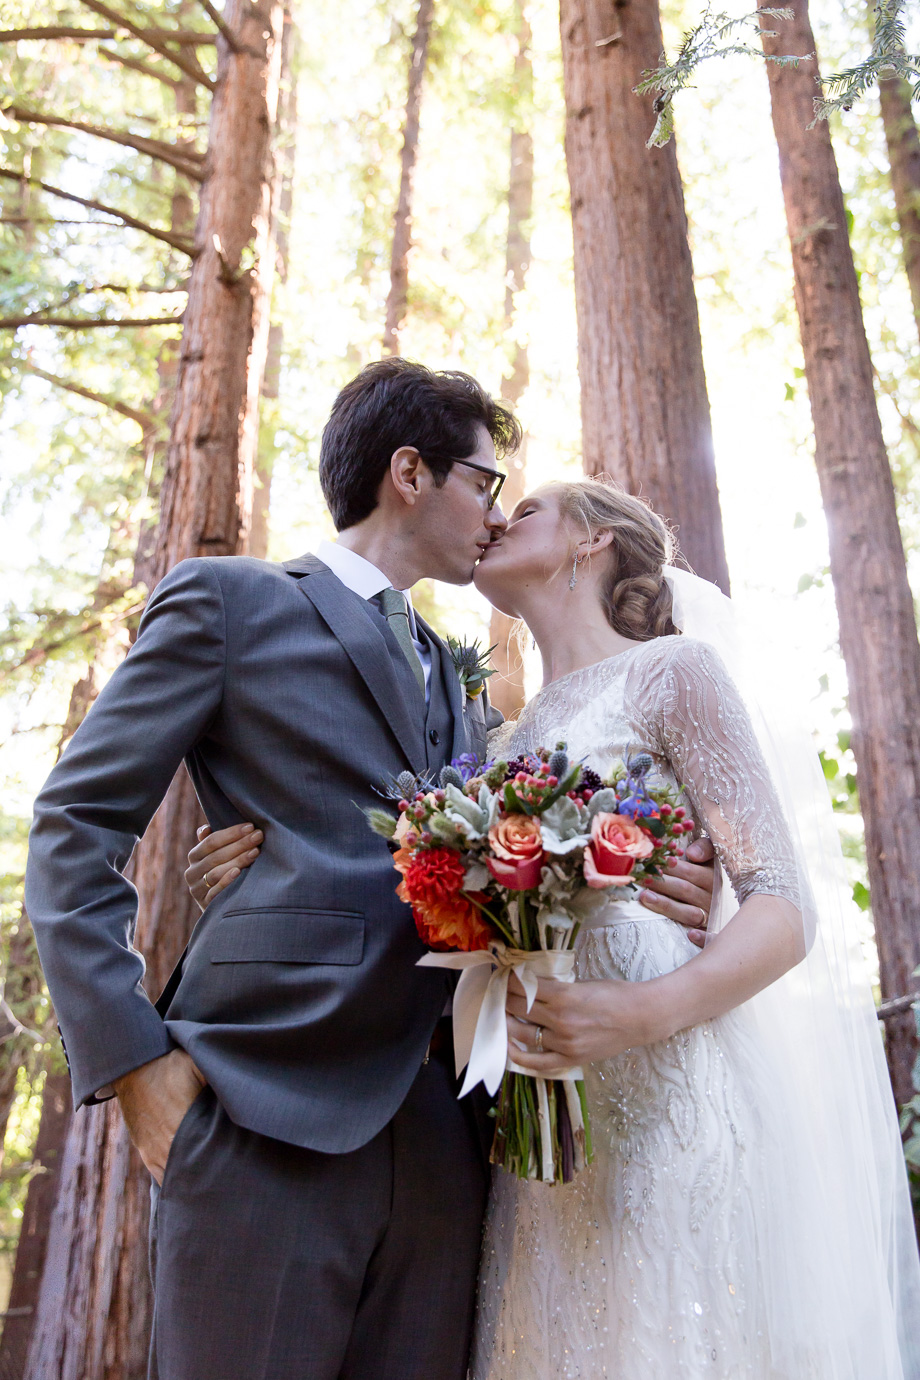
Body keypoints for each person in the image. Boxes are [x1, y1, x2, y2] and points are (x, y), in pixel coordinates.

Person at [24, 361, 716, 1380]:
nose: (491, 511)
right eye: (483, 482)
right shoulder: (230, 601)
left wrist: (670, 870)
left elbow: (530, 847)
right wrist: (131, 1064)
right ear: (408, 472)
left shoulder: (461, 678)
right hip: (265, 1108)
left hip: (452, 1144)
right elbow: (76, 820)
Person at [195, 475, 920, 1378]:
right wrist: (259, 865)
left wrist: (643, 1010)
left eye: (526, 508)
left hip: (666, 1100)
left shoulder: (673, 672)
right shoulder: (494, 743)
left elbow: (784, 902)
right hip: (536, 1142)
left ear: (594, 541)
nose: (497, 518)